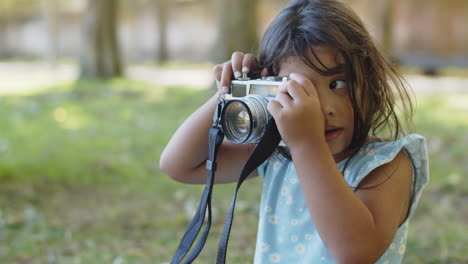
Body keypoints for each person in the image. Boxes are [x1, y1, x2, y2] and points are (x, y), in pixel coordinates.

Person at [159, 0, 429, 263]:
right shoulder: (278, 155)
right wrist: (226, 94)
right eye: (296, 90)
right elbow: (179, 166)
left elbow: (354, 253)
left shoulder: (387, 165)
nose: (323, 109)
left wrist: (306, 145)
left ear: (369, 80)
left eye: (337, 83)